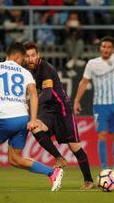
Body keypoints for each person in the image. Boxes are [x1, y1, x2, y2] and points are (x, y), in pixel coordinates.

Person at [0, 42, 63, 192]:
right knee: (14, 159)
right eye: (23, 58)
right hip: (23, 119)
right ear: (17, 56)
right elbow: (34, 94)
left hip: (6, 118)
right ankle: (52, 172)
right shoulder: (25, 73)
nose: (23, 61)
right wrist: (33, 119)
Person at [24, 42, 94, 190]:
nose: (31, 59)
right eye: (27, 56)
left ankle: (89, 181)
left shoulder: (45, 68)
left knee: (74, 147)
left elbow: (48, 93)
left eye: (33, 55)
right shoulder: (30, 72)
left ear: (38, 55)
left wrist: (31, 102)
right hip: (49, 110)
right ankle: (59, 158)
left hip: (62, 109)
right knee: (35, 127)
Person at [74, 10, 114, 176]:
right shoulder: (92, 64)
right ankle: (105, 167)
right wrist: (77, 100)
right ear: (100, 48)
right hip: (100, 106)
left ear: (112, 49)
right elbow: (84, 82)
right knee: (102, 135)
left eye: (109, 47)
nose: (106, 49)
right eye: (103, 46)